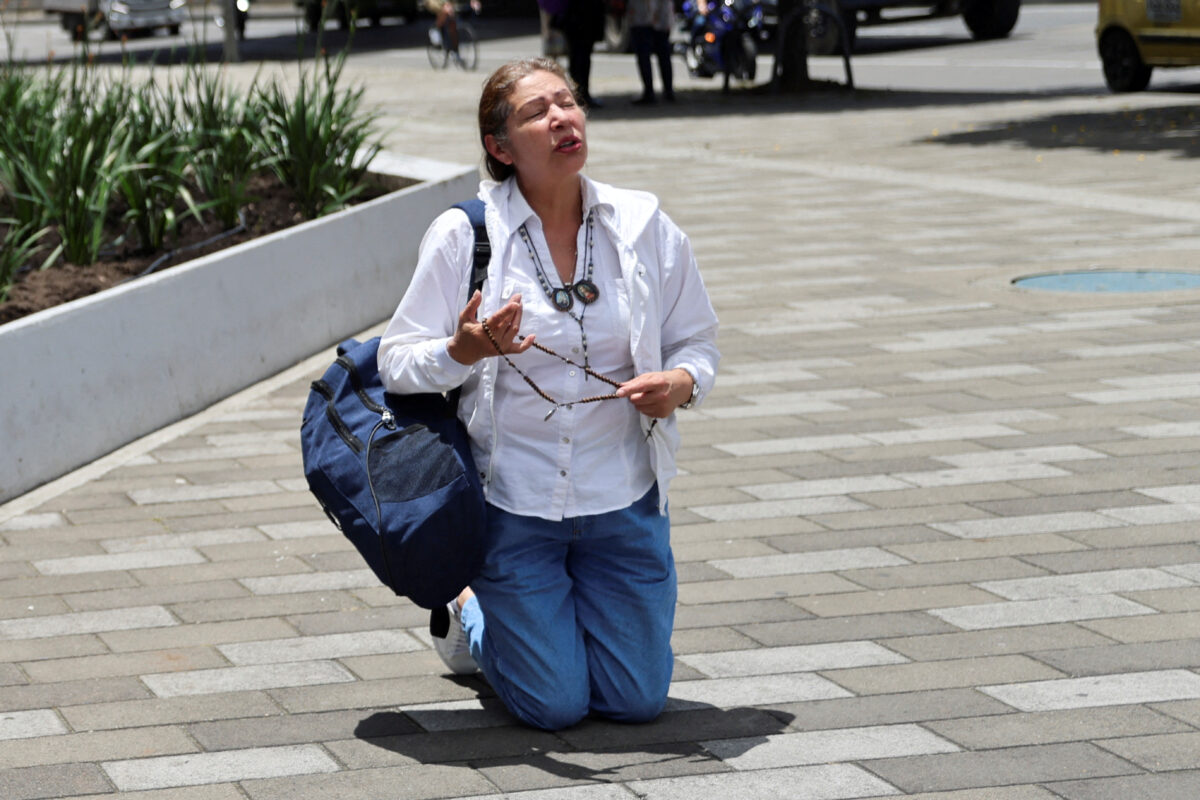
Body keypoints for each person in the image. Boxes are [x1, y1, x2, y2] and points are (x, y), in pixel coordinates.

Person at [377, 57, 719, 731]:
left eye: (569, 103)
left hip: (624, 500)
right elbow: (396, 362)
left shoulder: (644, 225)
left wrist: (680, 385)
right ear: (499, 147)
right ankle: (469, 608)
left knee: (635, 701)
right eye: (537, 111)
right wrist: (463, 351)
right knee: (553, 707)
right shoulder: (465, 235)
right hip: (514, 506)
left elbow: (698, 345)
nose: (563, 117)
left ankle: (555, 626)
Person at [556, 0, 606, 107]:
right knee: (579, 60)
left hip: (578, 21)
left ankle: (580, 93)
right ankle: (580, 94)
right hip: (581, 21)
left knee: (577, 59)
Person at [628, 0, 675, 104]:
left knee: (645, 53)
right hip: (659, 13)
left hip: (643, 14)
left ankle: (651, 92)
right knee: (663, 53)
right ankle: (667, 91)